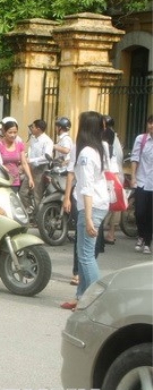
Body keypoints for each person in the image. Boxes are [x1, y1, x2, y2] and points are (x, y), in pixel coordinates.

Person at [60, 111, 110, 310]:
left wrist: (88, 218)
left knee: (86, 255)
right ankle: (81, 296)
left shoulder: (87, 153)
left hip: (92, 205)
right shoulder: (99, 147)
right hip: (97, 203)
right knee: (83, 254)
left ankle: (98, 300)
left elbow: (87, 186)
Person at [130, 114, 153, 255]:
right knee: (139, 212)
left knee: (151, 214)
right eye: (150, 122)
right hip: (142, 181)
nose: (151, 126)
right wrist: (133, 177)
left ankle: (147, 242)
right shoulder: (141, 139)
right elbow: (134, 158)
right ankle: (141, 235)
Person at [23, 119, 53, 215]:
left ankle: (38, 217)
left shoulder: (47, 141)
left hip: (40, 169)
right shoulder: (33, 138)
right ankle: (30, 211)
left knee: (37, 195)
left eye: (33, 127)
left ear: (38, 129)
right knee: (23, 193)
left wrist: (31, 160)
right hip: (30, 168)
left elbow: (46, 157)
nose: (31, 129)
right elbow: (31, 151)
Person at [102, 116, 124, 245]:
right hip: (113, 175)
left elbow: (113, 159)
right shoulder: (114, 138)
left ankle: (111, 233)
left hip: (113, 175)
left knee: (113, 205)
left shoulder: (110, 139)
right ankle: (110, 232)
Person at [0, 119, 33, 193]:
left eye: (15, 132)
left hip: (15, 181)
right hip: (1, 180)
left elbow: (24, 163)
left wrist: (30, 178)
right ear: (4, 132)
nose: (13, 135)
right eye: (10, 132)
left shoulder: (20, 145)